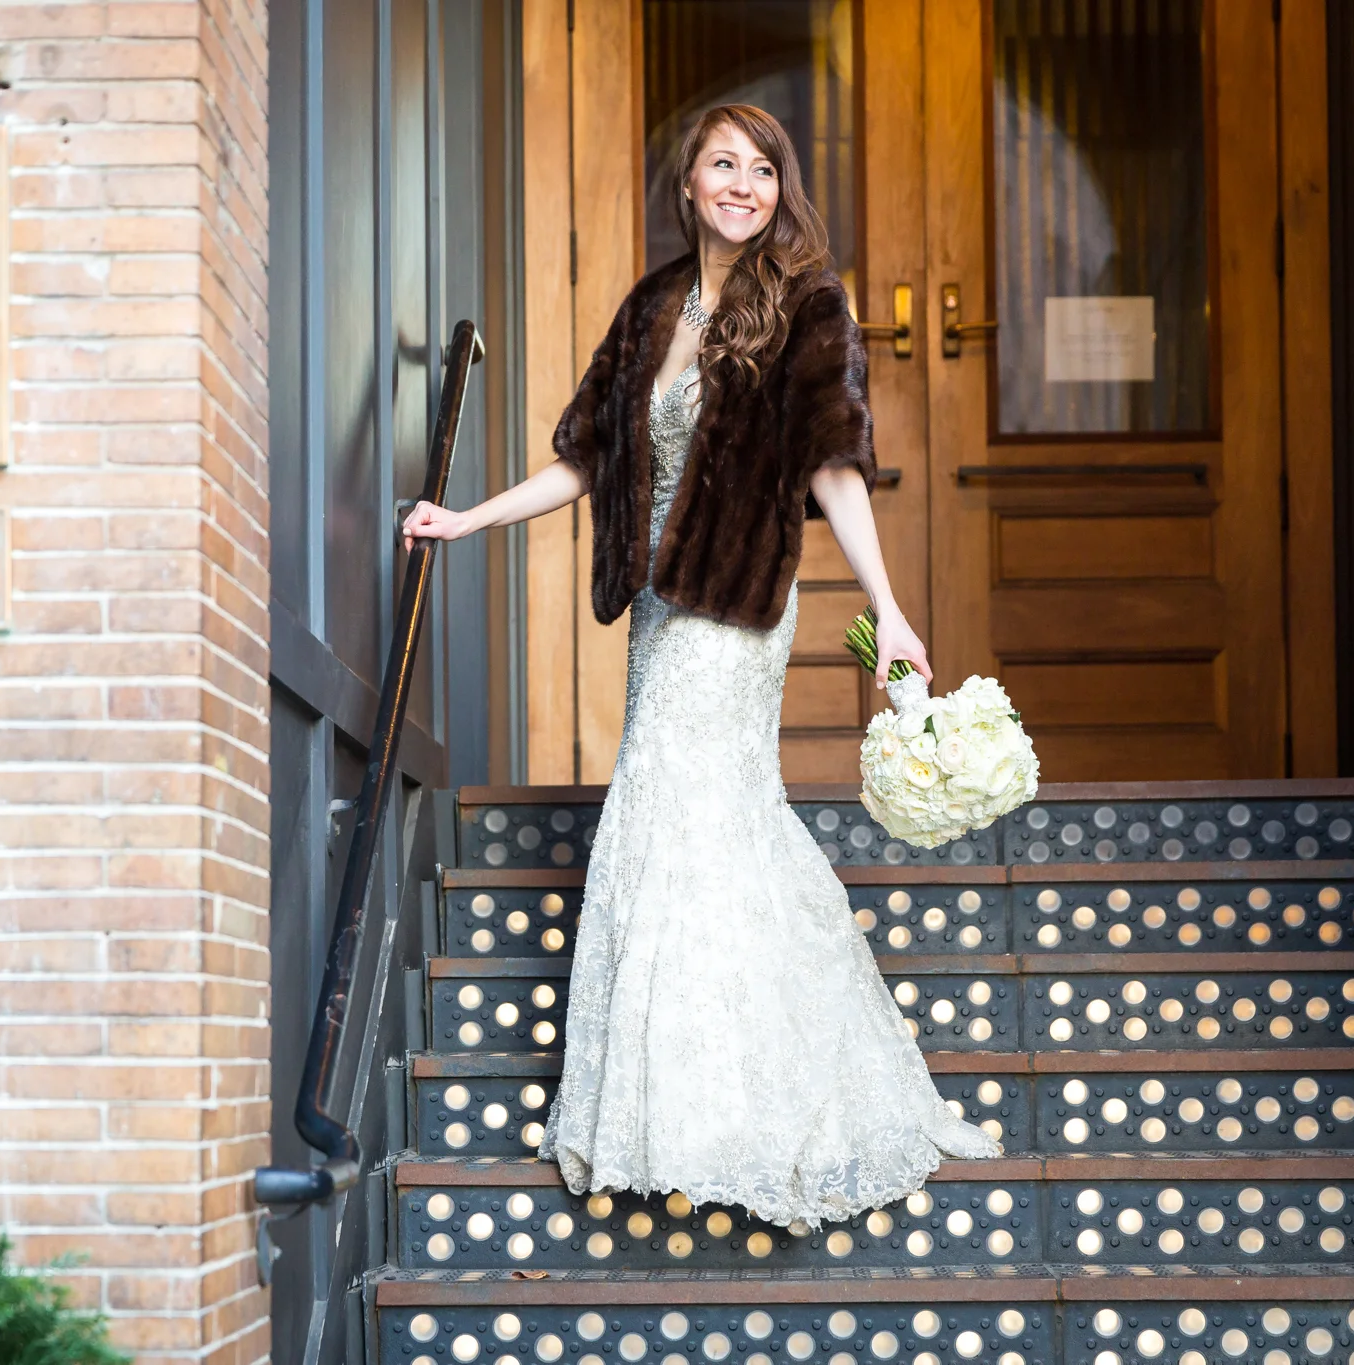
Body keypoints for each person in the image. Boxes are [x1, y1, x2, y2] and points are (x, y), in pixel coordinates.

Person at [400, 103, 1000, 1231]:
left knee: (684, 808)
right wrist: (467, 519)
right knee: (683, 817)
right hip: (660, 614)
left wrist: (891, 610)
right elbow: (584, 459)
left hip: (734, 604)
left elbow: (831, 461)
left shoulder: (807, 300)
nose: (741, 184)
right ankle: (672, 1106)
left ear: (780, 187)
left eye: (761, 168)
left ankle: (731, 1112)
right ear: (687, 184)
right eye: (721, 164)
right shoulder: (648, 308)